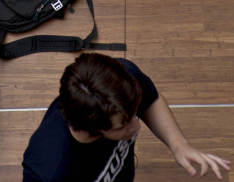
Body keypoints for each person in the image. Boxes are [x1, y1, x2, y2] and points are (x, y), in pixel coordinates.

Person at [21, 52, 230, 181]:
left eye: (133, 114)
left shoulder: (121, 78)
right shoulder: (49, 169)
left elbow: (151, 100)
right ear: (93, 129)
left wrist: (179, 145)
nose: (136, 126)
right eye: (123, 126)